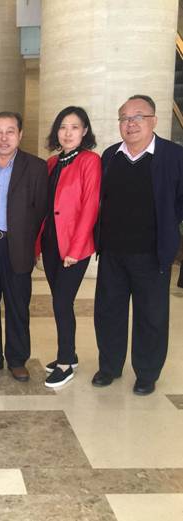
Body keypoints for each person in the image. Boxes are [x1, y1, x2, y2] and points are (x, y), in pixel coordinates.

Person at [93, 94, 183, 395]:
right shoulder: (110, 156)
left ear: (153, 121)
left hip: (152, 254)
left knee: (151, 316)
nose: (130, 124)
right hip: (112, 252)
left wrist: (167, 225)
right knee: (108, 312)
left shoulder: (173, 156)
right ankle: (109, 366)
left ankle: (147, 373)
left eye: (138, 117)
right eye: (124, 118)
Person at [0, 112, 47, 382]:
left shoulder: (35, 167)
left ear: (20, 135)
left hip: (17, 245)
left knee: (17, 305)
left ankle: (17, 359)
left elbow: (41, 209)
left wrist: (27, 240)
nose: (4, 138)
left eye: (10, 131)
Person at [36, 106, 101, 388]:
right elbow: (44, 208)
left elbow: (90, 206)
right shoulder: (52, 163)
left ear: (84, 131)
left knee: (62, 301)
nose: (67, 133)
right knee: (60, 301)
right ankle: (70, 354)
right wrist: (38, 245)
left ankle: (64, 363)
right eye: (63, 127)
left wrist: (75, 249)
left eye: (74, 127)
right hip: (51, 243)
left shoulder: (90, 161)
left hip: (74, 247)